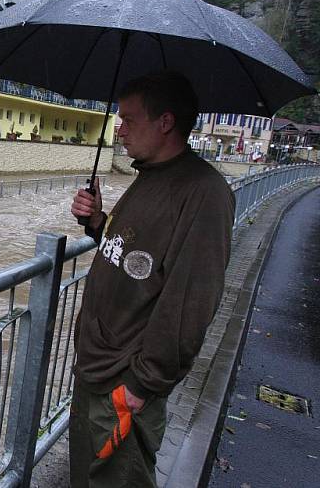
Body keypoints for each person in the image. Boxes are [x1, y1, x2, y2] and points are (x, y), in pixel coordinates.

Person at [68, 71, 235, 487]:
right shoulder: (148, 175)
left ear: (165, 122)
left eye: (129, 119)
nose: (119, 130)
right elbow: (131, 252)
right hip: (95, 369)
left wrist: (141, 385)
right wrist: (96, 223)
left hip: (125, 384)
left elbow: (189, 304)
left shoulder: (203, 194)